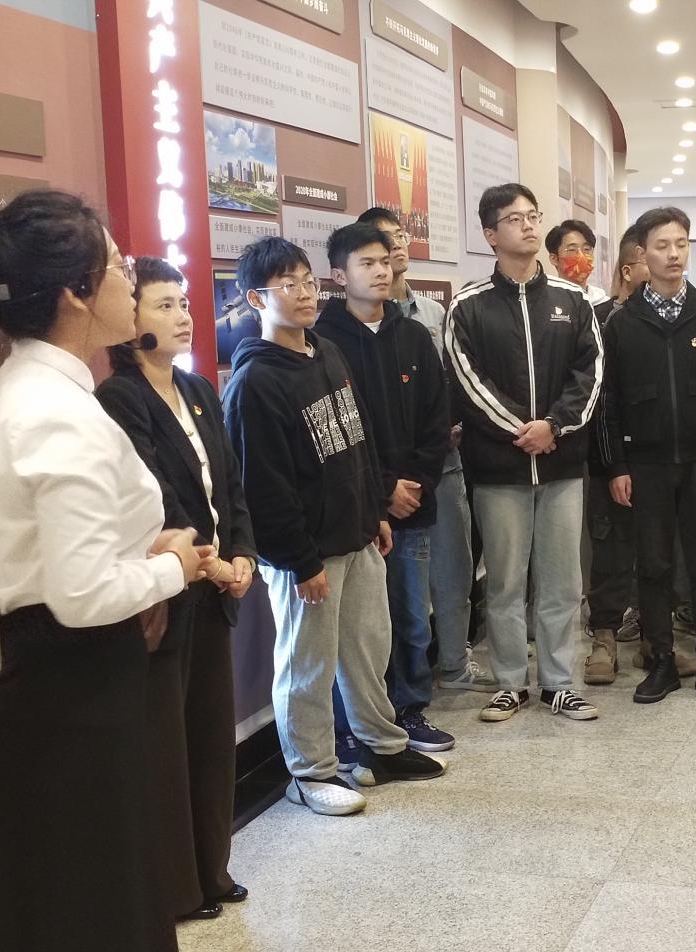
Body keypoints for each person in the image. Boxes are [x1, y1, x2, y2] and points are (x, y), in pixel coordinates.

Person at [0, 189, 212, 952]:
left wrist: (140, 558)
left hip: (52, 685)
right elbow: (83, 594)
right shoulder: (54, 410)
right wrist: (175, 567)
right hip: (68, 694)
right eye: (119, 268)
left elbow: (68, 556)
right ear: (77, 294)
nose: (130, 281)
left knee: (66, 900)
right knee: (88, 907)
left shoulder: (37, 390)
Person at [224, 236, 444, 817]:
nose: (304, 293)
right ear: (256, 298)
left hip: (358, 534)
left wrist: (374, 512)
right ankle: (309, 771)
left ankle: (380, 747)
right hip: (306, 557)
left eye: (307, 280)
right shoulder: (254, 383)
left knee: (368, 649)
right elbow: (263, 488)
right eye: (287, 285)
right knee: (308, 666)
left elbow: (358, 440)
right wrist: (301, 562)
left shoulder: (325, 351)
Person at [96, 256, 257, 923]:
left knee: (212, 739)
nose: (182, 315)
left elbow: (230, 484)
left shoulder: (197, 389)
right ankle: (178, 889)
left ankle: (213, 872)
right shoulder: (119, 398)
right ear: (130, 319)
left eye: (183, 302)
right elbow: (155, 501)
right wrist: (210, 564)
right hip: (167, 591)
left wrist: (242, 554)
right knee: (170, 744)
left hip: (214, 587)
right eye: (163, 305)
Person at [444, 184, 602, 723]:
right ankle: (510, 682)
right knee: (506, 582)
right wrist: (523, 430)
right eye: (514, 219)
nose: (529, 225)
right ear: (491, 234)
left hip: (562, 464)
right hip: (499, 468)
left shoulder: (572, 300)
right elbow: (468, 382)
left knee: (562, 581)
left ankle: (559, 682)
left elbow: (591, 373)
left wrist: (553, 426)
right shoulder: (468, 306)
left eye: (533, 216)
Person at [316, 222, 453, 754]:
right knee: (356, 629)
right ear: (339, 275)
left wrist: (412, 485)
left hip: (413, 506)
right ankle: (351, 725)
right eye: (366, 263)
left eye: (384, 260)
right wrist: (381, 490)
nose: (380, 271)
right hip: (354, 514)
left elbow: (436, 421)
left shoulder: (413, 336)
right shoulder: (323, 344)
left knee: (412, 618)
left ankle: (410, 709)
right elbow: (337, 436)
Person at [600, 206, 696, 705]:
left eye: (681, 244)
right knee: (654, 565)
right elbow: (609, 403)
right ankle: (660, 659)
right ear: (643, 253)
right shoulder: (622, 322)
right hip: (646, 465)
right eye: (662, 245)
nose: (674, 254)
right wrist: (616, 466)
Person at [354, 207, 495, 693]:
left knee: (454, 571)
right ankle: (401, 686)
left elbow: (451, 384)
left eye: (398, 237)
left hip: (444, 465)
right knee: (400, 589)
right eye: (381, 243)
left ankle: (455, 662)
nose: (395, 247)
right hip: (390, 480)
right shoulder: (351, 328)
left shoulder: (433, 314)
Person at [545, 218, 611, 307]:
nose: (581, 256)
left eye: (586, 249)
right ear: (554, 259)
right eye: (572, 249)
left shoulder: (605, 304)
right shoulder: (546, 303)